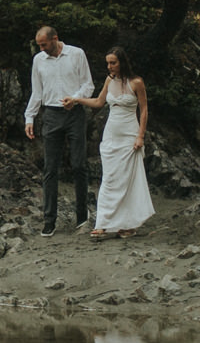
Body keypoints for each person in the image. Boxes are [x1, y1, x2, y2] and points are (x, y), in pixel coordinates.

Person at [63, 45, 153, 239]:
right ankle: (103, 223)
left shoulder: (136, 82)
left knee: (128, 180)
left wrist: (140, 136)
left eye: (113, 63)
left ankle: (127, 224)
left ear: (122, 62)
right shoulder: (108, 81)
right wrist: (76, 100)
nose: (110, 67)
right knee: (110, 179)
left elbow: (144, 110)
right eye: (108, 63)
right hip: (111, 134)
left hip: (130, 134)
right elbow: (98, 102)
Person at [23, 24, 92, 236]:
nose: (41, 48)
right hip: (51, 115)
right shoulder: (38, 60)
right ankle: (49, 219)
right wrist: (30, 117)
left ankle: (82, 215)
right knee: (50, 168)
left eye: (44, 44)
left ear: (55, 38)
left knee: (79, 164)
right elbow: (37, 91)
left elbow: (88, 85)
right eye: (39, 45)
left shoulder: (77, 54)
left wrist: (75, 98)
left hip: (74, 113)